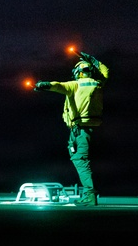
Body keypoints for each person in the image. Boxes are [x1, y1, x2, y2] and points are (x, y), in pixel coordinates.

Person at [35, 52, 110, 206]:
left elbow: (57, 85)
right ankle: (88, 192)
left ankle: (89, 195)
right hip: (92, 127)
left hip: (80, 129)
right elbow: (105, 71)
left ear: (78, 72)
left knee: (80, 160)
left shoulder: (75, 85)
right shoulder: (99, 83)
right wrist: (93, 59)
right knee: (81, 156)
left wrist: (44, 85)